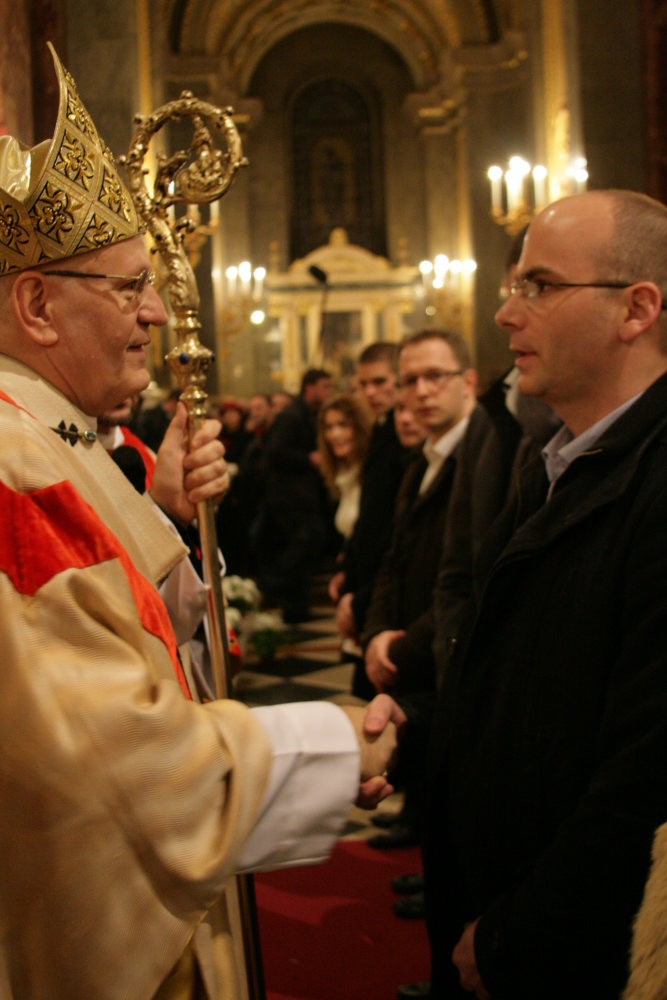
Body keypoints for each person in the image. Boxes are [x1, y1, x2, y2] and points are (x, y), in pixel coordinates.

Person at [0, 45, 398, 1000]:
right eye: (127, 286)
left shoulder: (55, 438)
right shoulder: (15, 466)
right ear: (36, 305)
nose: (157, 312)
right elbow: (109, 761)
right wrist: (331, 746)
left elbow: (121, 634)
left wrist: (163, 511)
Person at [366, 188, 667, 999]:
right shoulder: (555, 460)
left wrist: (517, 936)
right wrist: (419, 723)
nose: (504, 314)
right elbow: (525, 676)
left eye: (539, 286)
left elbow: (643, 772)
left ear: (636, 309)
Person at [362, 328, 477, 853]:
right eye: (410, 381)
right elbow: (394, 559)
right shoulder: (421, 461)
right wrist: (376, 633)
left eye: (436, 376)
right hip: (410, 645)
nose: (422, 392)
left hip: (444, 646)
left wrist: (401, 643)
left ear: (467, 382)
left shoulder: (480, 462)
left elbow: (467, 577)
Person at [330, 341, 409, 699]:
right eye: (363, 384)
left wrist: (361, 598)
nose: (371, 392)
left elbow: (392, 530)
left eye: (380, 382)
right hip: (367, 587)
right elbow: (368, 521)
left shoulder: (403, 437)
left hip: (385, 595)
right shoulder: (381, 429)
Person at [258, 367, 333, 622]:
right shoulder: (291, 416)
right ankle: (272, 584)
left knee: (310, 546)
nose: (329, 392)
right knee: (304, 544)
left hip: (304, 495)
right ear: (309, 387)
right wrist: (309, 458)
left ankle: (297, 608)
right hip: (290, 496)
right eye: (325, 386)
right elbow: (275, 453)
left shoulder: (309, 414)